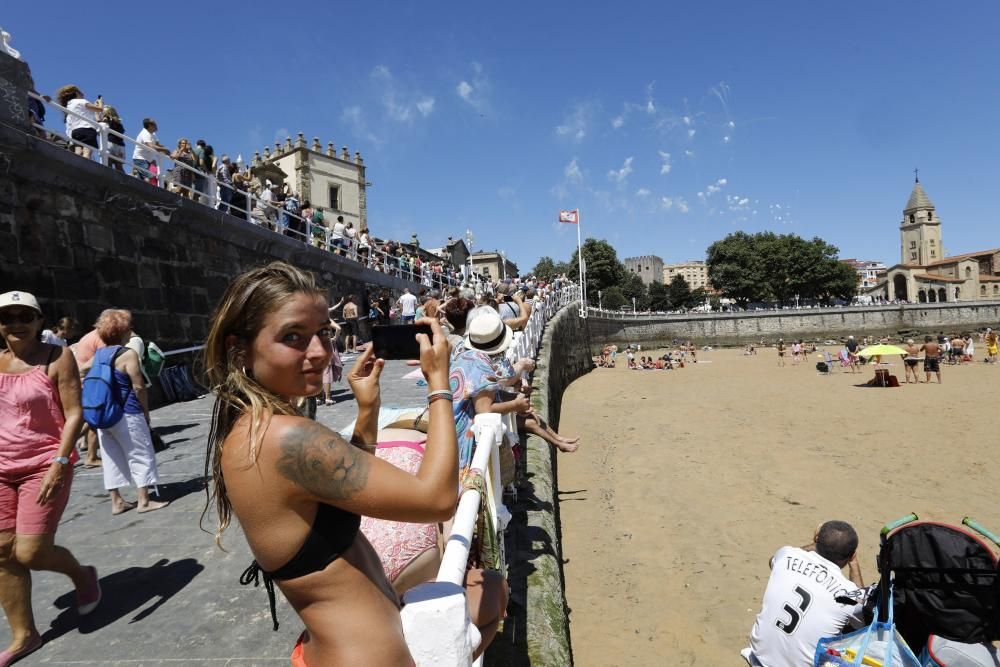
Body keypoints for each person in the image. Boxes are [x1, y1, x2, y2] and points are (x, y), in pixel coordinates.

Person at [200, 262, 504, 664]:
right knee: (493, 589)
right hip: (366, 656)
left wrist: (367, 411)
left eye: (323, 333)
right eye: (293, 337)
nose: (319, 352)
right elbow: (437, 499)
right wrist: (439, 386)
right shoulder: (286, 437)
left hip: (332, 650)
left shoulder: (250, 431)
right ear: (240, 349)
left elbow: (343, 499)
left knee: (491, 589)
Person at [0, 291, 102, 664]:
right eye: (7, 317)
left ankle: (82, 575)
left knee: (30, 552)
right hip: (0, 469)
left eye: (24, 316)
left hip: (44, 463)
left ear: (39, 321)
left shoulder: (57, 357)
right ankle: (24, 635)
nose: (15, 323)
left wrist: (61, 461)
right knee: (1, 553)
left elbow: (74, 412)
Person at [746, 521, 865, 667]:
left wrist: (816, 543)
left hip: (758, 656)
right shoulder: (848, 594)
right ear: (851, 555)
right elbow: (863, 617)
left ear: (816, 541)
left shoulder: (786, 555)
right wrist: (854, 564)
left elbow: (773, 561)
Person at [91, 311, 168, 515]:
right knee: (141, 454)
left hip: (104, 414)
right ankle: (144, 500)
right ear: (124, 330)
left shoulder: (99, 354)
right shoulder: (127, 354)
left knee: (111, 458)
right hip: (127, 412)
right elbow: (139, 387)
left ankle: (117, 501)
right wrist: (145, 412)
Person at [55, 85, 102, 159]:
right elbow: (100, 109)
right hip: (87, 129)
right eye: (81, 92)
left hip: (75, 131)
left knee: (78, 151)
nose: (83, 94)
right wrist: (100, 102)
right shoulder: (82, 101)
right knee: (87, 152)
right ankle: (86, 166)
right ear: (76, 93)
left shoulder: (69, 105)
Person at [132, 118, 169, 183]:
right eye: (154, 124)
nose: (156, 125)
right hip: (140, 159)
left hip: (147, 160)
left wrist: (168, 153)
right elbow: (151, 146)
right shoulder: (145, 133)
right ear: (150, 125)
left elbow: (158, 145)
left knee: (142, 178)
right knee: (148, 177)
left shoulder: (153, 134)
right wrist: (165, 150)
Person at [99, 107, 126, 172]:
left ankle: (109, 178)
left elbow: (101, 127)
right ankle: (123, 180)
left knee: (109, 163)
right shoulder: (119, 122)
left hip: (110, 143)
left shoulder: (107, 119)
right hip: (121, 146)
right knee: (119, 166)